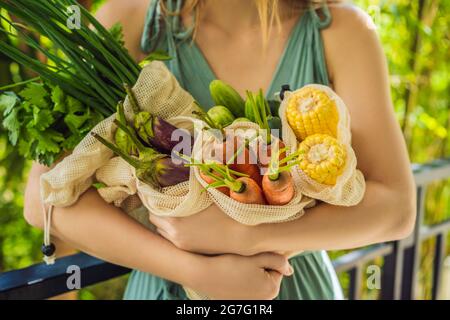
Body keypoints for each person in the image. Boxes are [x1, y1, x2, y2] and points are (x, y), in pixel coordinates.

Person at [24, 0, 416, 300]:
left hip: (291, 284)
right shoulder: (129, 19)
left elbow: (395, 207)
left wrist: (246, 236)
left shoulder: (341, 31)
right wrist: (195, 271)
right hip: (168, 286)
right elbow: (44, 198)